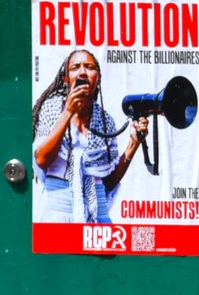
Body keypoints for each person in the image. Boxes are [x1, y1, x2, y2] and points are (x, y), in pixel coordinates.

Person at [30, 50, 147, 223]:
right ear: (66, 79)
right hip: (58, 209)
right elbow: (41, 160)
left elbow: (108, 181)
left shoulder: (106, 121)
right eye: (75, 67)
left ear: (97, 78)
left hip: (97, 213)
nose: (82, 72)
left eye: (89, 67)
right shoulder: (52, 108)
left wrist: (134, 144)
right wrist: (68, 112)